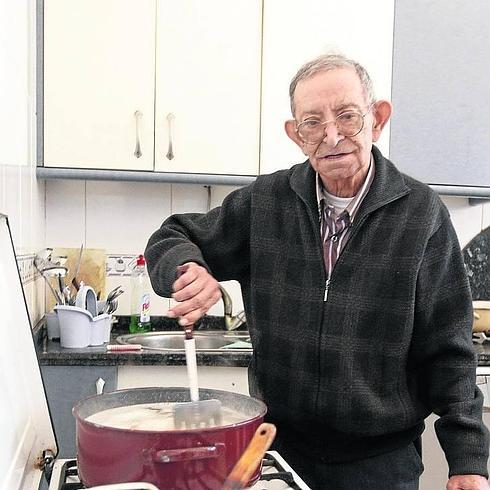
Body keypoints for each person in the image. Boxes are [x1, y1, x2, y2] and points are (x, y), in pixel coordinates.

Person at [145, 53, 490, 489]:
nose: (331, 136)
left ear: (377, 119)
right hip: (278, 449)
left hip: (381, 463)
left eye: (347, 116)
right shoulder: (266, 202)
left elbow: (449, 348)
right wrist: (184, 266)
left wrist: (468, 460)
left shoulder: (421, 215)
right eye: (312, 122)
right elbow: (172, 235)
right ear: (295, 134)